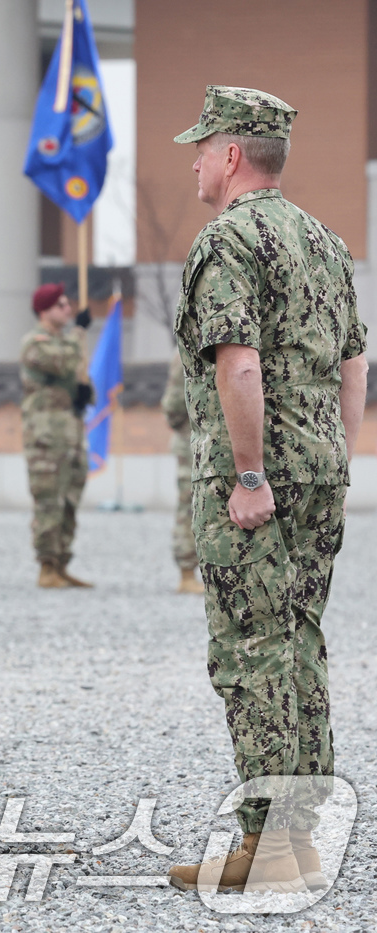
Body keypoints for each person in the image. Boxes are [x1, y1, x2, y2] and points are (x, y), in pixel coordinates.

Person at [165, 86, 368, 894]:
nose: (193, 161)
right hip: (318, 471)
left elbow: (237, 360)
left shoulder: (230, 239)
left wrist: (250, 474)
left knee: (252, 654)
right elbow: (355, 363)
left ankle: (272, 844)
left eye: (202, 147)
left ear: (232, 155)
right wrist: (336, 457)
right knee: (300, 644)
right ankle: (297, 838)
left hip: (256, 480)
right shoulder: (323, 239)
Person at [20, 283, 93, 588]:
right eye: (61, 305)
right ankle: (46, 566)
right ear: (44, 310)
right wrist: (79, 333)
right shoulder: (35, 342)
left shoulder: (65, 342)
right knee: (49, 501)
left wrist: (84, 393)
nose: (68, 309)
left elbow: (79, 377)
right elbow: (62, 363)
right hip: (46, 438)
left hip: (71, 435)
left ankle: (62, 562)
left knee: (69, 501)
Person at [161, 351, 203, 594]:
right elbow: (174, 403)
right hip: (192, 437)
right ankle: (187, 572)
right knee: (190, 503)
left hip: (214, 438)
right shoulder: (187, 349)